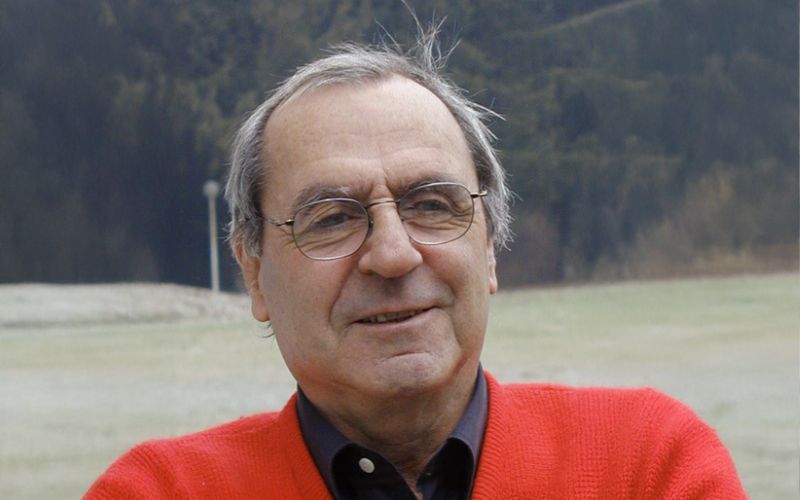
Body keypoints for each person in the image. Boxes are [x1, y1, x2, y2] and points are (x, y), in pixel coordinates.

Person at [85, 25, 747, 500]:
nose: (394, 254)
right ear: (255, 273)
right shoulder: (157, 491)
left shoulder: (647, 466)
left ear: (489, 247)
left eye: (432, 205)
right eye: (333, 218)